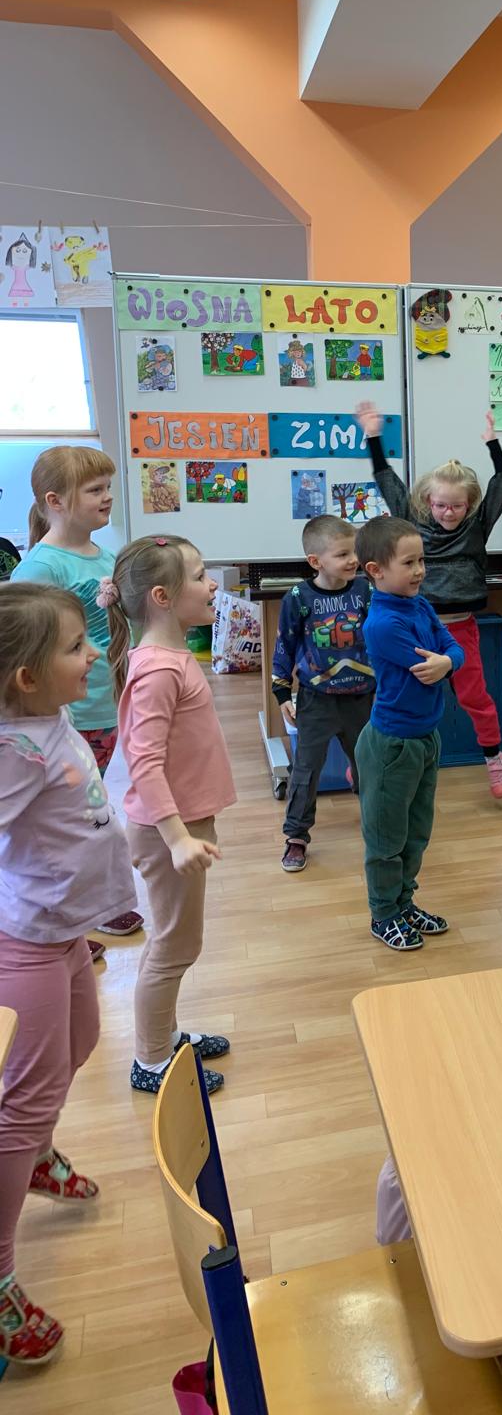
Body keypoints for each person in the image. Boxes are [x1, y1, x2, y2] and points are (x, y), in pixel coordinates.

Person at [0, 585, 139, 1368]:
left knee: (81, 1043)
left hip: (63, 932)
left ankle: (37, 1157)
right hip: (24, 942)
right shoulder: (11, 750)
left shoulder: (44, 719)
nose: (93, 655)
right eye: (75, 647)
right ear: (26, 676)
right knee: (23, 1100)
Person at [104, 536, 236, 1096]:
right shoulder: (159, 669)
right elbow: (144, 762)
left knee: (178, 940)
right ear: (162, 597)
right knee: (175, 946)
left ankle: (166, 1034)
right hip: (168, 832)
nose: (213, 585)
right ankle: (151, 1060)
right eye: (201, 576)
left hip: (181, 825)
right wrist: (179, 837)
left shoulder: (170, 657)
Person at [12, 445, 144, 944]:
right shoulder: (40, 569)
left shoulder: (106, 556)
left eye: (107, 487)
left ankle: (84, 907)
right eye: (95, 490)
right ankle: (63, 918)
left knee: (92, 812)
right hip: (66, 719)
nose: (107, 497)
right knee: (67, 820)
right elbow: (26, 656)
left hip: (107, 706)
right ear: (56, 501)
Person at [356, 402, 502, 798]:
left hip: (460, 627)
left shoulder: (477, 525)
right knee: (398, 694)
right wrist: (374, 437)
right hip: (416, 626)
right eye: (441, 505)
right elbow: (388, 481)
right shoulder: (411, 523)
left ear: (470, 505)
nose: (448, 512)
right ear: (428, 502)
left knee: (474, 696)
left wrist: (493, 443)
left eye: (457, 505)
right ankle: (372, 751)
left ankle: (493, 756)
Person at [355, 515, 464, 952]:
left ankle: (404, 903)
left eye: (421, 560)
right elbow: (428, 666)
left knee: (416, 832)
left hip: (424, 737)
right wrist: (446, 661)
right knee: (386, 839)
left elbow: (450, 649)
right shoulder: (383, 623)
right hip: (392, 745)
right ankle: (384, 914)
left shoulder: (419, 605)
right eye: (409, 563)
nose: (420, 571)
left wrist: (448, 661)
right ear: (376, 571)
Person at [271, 515, 373, 873]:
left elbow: (381, 634)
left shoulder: (366, 591)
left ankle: (377, 823)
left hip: (363, 698)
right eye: (342, 554)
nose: (353, 560)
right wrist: (281, 692)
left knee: (369, 764)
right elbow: (284, 645)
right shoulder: (299, 598)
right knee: (306, 769)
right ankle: (296, 836)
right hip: (317, 699)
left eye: (354, 552)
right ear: (316, 561)